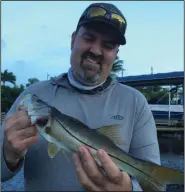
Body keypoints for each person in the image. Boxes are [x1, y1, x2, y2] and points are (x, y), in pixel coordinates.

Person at [1, 2, 161, 191]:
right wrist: (8, 154)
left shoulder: (136, 103)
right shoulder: (32, 94)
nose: (95, 50)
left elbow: (155, 183)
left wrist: (129, 189)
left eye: (107, 45)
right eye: (88, 38)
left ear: (115, 55)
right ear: (73, 40)